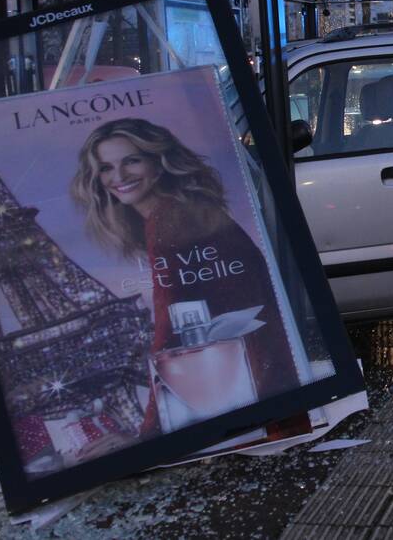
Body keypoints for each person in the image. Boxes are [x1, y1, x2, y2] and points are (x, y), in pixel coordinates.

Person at [71, 117, 300, 453]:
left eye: (132, 160)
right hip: (262, 374)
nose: (118, 177)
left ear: (158, 162)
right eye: (106, 168)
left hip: (250, 381)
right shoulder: (180, 210)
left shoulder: (167, 219)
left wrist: (146, 438)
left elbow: (169, 332)